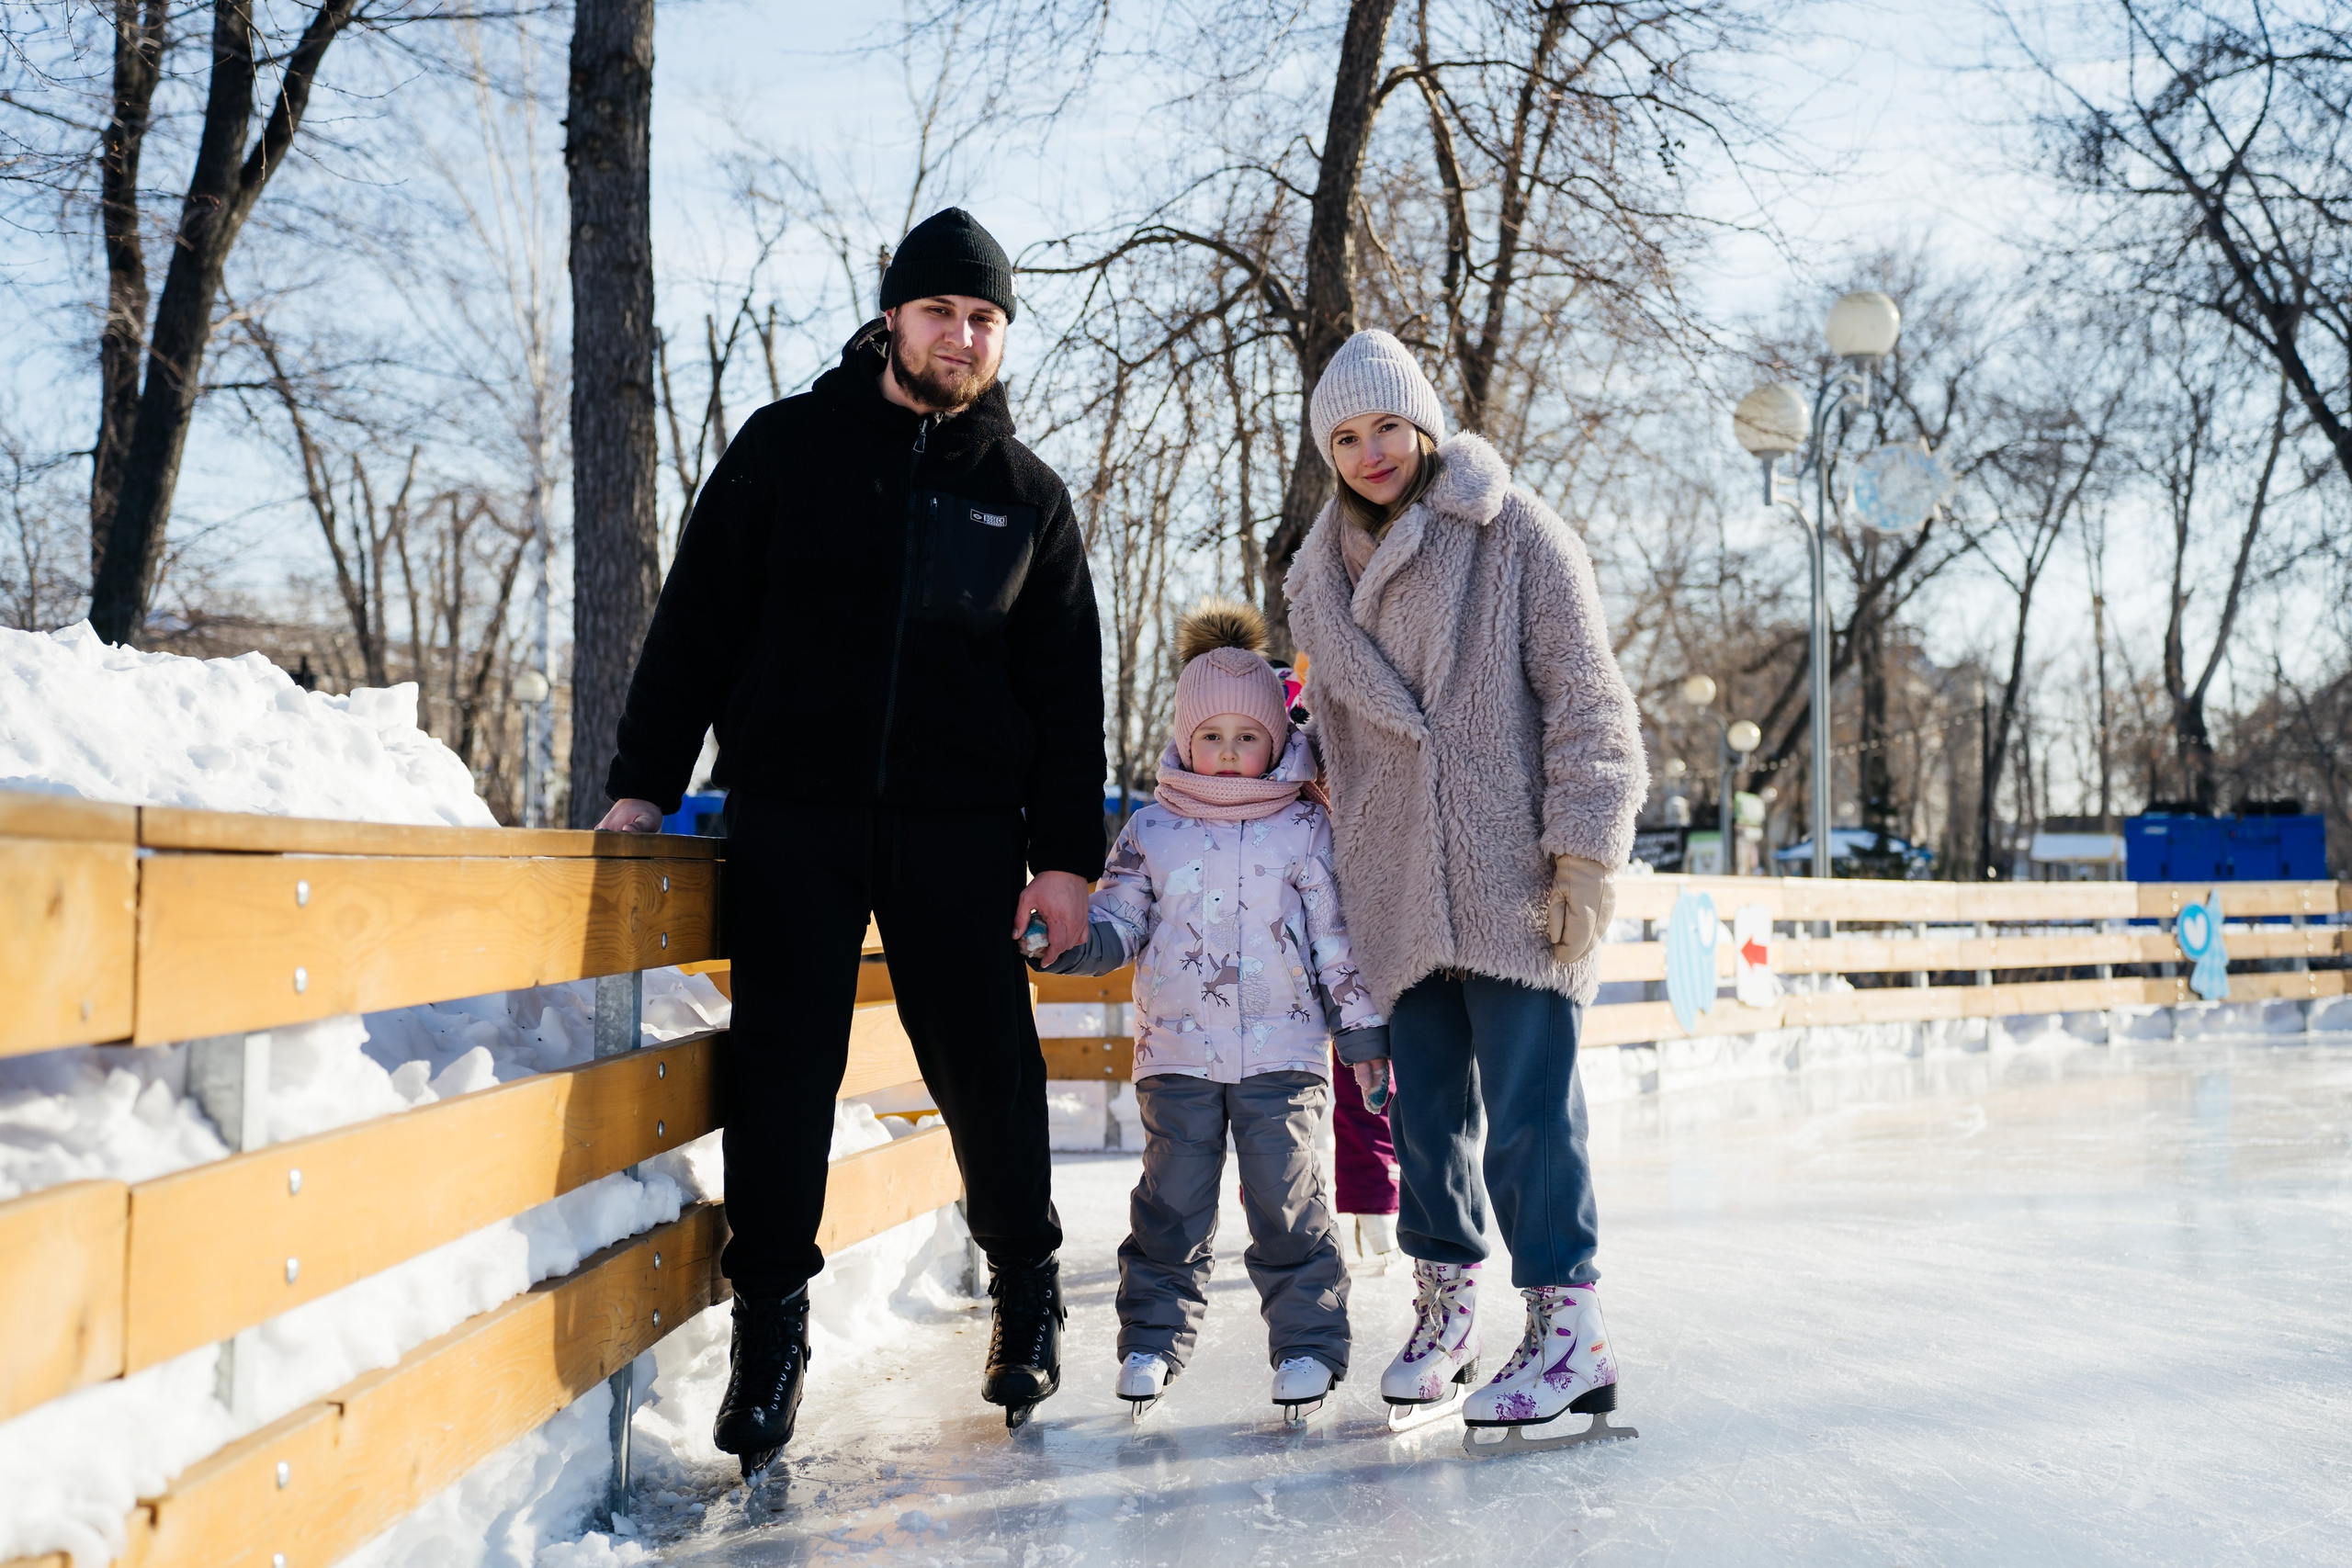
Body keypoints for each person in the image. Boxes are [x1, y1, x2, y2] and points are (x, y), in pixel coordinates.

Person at [594, 209, 1103, 1467]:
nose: (963, 334)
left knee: (988, 1066)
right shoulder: (787, 449)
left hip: (959, 828)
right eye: (943, 311)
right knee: (781, 1072)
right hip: (795, 817)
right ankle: (773, 1333)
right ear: (893, 316)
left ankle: (1024, 1283)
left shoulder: (1026, 499)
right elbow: (696, 623)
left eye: (985, 319)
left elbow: (1065, 700)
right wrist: (641, 784)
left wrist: (1065, 857)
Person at [1283, 330, 1648, 1441]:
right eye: (1343, 437)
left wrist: (1583, 853)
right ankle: (1444, 1313)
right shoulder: (1314, 582)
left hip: (1508, 876)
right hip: (1395, 885)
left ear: (1425, 423)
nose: (1369, 451)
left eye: (1386, 425)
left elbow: (1588, 697)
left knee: (1531, 1113)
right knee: (1426, 1113)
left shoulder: (1514, 532)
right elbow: (1332, 754)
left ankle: (1566, 1329)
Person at [1035, 600, 1387, 1423]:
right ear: (1185, 739)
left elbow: (1336, 940)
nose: (1229, 755)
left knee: (1290, 1205)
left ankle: (1307, 1345)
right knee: (1170, 1206)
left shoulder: (1306, 827)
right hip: (1178, 1060)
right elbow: (1120, 919)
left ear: (1276, 741)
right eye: (1212, 737)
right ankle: (1151, 1341)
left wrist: (1361, 1032)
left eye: (1249, 737)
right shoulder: (1153, 830)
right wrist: (1078, 944)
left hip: (1284, 1057)